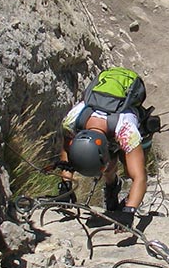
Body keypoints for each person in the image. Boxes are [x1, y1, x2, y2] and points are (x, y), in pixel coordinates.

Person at [53, 67, 155, 227]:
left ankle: (116, 188)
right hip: (106, 130)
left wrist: (129, 211)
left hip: (121, 125)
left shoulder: (127, 131)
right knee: (109, 167)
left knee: (131, 171)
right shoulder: (71, 122)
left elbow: (140, 177)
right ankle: (112, 185)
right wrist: (66, 186)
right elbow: (67, 151)